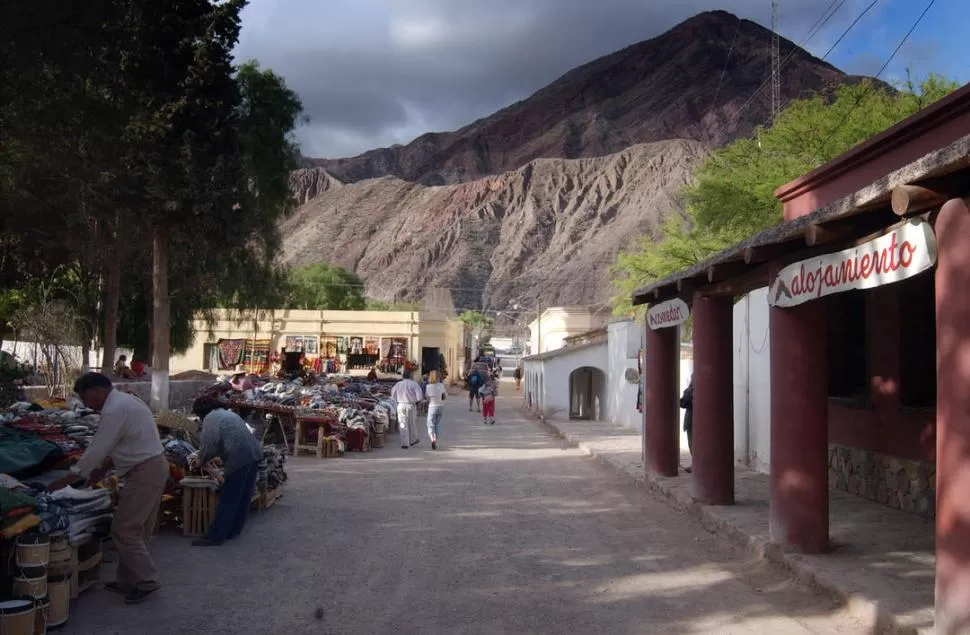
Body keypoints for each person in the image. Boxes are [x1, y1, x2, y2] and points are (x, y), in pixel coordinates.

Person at [48, 372, 167, 605]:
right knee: (136, 530)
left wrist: (70, 478)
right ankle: (127, 580)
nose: (87, 405)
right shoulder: (125, 401)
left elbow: (98, 448)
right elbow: (120, 444)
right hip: (151, 466)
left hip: (145, 471)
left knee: (124, 530)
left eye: (86, 399)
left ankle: (146, 581)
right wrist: (99, 471)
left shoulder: (114, 410)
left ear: (95, 391)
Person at [189, 396, 264, 547]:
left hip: (239, 456)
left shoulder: (210, 418)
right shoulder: (228, 413)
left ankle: (215, 536)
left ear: (201, 412)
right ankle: (233, 531)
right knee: (243, 496)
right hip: (254, 453)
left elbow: (209, 445)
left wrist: (201, 460)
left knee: (229, 496)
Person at [391, 372, 424, 449]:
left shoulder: (398, 384)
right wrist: (417, 402)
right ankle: (413, 440)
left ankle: (404, 443)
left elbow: (393, 395)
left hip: (401, 405)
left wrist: (397, 401)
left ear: (403, 376)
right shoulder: (414, 384)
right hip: (410, 405)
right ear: (410, 376)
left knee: (403, 424)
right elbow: (419, 397)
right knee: (412, 423)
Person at [424, 371, 447, 450]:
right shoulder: (441, 385)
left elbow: (427, 398)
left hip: (432, 406)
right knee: (437, 425)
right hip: (440, 407)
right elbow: (445, 396)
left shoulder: (428, 387)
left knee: (430, 424)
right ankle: (435, 440)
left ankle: (432, 439)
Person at [680, 376, 694, 473]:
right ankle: (695, 464)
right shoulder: (690, 390)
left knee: (694, 444)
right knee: (692, 444)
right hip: (691, 421)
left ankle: (697, 465)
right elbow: (683, 403)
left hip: (696, 421)